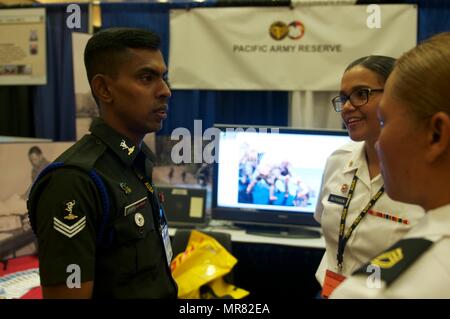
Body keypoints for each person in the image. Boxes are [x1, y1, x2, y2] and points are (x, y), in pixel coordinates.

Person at [27, 28, 177, 298]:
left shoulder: (134, 162)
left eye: (163, 78)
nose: (165, 91)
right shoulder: (74, 182)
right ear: (104, 89)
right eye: (147, 78)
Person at [331, 32, 450, 298]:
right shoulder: (338, 159)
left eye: (385, 122)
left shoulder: (379, 291)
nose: (380, 144)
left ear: (436, 135)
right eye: (343, 98)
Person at [314, 55, 425, 298]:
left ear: (397, 96)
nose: (346, 107)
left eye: (361, 94)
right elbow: (324, 223)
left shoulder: (425, 172)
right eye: (343, 98)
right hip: (330, 291)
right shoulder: (338, 160)